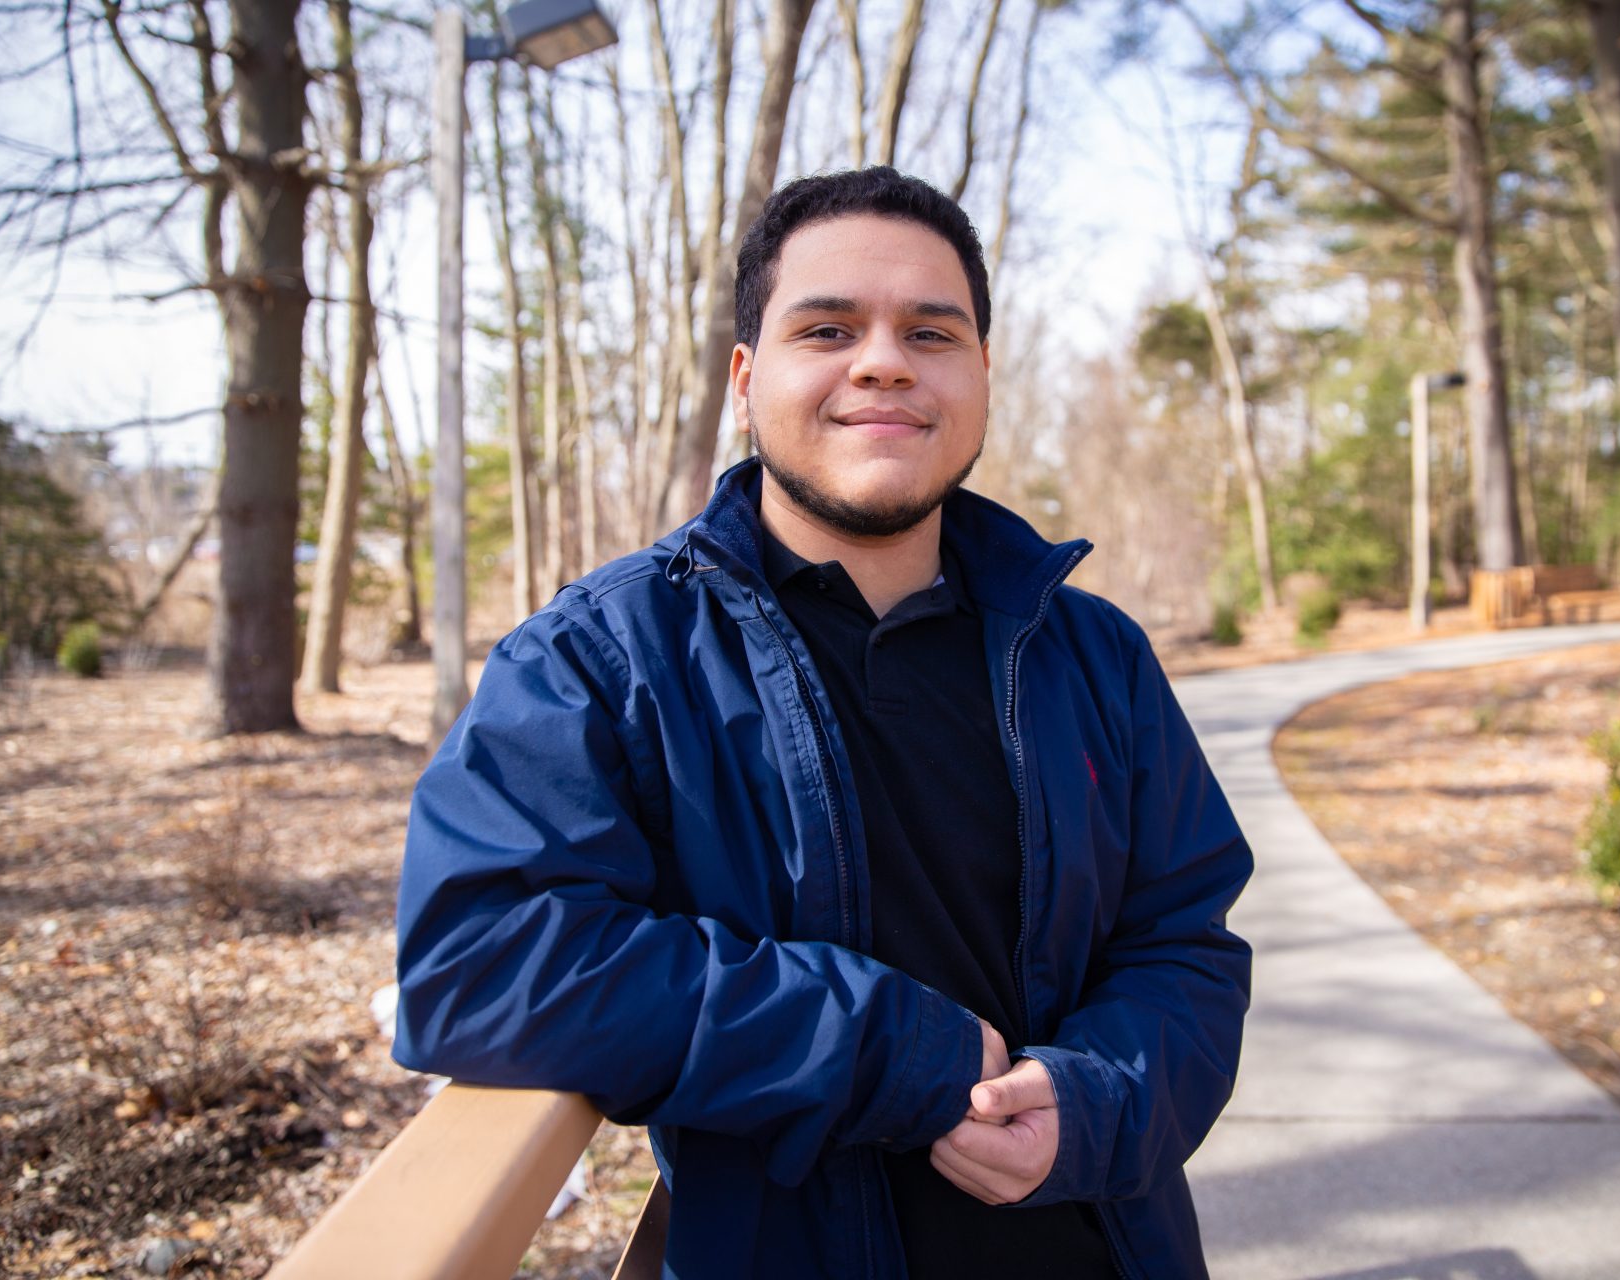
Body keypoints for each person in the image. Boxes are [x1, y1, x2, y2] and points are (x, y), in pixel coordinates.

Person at [393, 166, 1253, 1279]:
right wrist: (881, 1047)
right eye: (829, 326)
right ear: (748, 378)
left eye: (931, 332)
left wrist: (1096, 1101)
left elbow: (1184, 944)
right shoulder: (606, 658)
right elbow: (479, 957)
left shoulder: (1094, 654)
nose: (884, 357)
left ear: (982, 375)